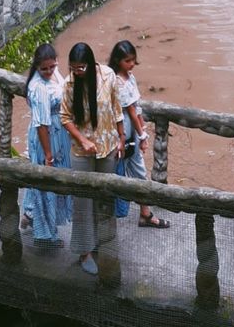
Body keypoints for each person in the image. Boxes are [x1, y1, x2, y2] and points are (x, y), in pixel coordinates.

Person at [60, 42, 124, 276]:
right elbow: (65, 117)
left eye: (81, 68)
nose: (77, 72)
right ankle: (84, 251)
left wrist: (121, 138)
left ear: (91, 63)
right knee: (83, 203)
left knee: (105, 198)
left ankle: (103, 242)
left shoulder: (107, 76)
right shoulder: (68, 84)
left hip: (107, 146)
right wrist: (83, 140)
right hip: (82, 151)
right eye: (73, 68)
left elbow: (117, 108)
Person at [108, 40, 169, 229]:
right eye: (128, 61)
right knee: (120, 172)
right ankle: (122, 212)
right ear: (118, 61)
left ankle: (144, 212)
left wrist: (142, 131)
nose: (131, 64)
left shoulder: (129, 77)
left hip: (131, 129)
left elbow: (137, 108)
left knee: (136, 172)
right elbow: (132, 113)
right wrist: (142, 135)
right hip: (123, 131)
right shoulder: (118, 82)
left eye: (133, 60)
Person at [21, 44, 72, 250]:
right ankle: (45, 236)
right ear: (37, 67)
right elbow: (42, 124)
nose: (49, 71)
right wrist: (48, 153)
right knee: (47, 185)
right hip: (47, 138)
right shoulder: (39, 88)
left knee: (44, 183)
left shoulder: (53, 75)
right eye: (45, 69)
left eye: (52, 66)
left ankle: (30, 214)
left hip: (58, 134)